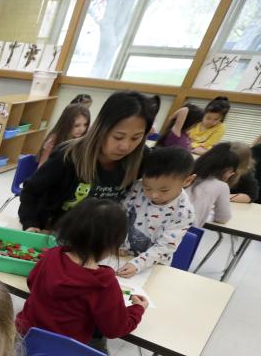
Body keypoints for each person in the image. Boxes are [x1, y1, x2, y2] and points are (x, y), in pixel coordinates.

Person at [16, 198, 148, 351]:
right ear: (113, 245)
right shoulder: (103, 283)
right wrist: (137, 309)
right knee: (99, 346)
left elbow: (31, 283)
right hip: (64, 353)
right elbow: (115, 329)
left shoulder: (51, 256)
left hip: (24, 337)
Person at [18, 91, 157, 232]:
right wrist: (30, 223)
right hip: (54, 231)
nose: (125, 146)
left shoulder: (142, 158)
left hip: (98, 237)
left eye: (136, 138)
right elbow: (31, 190)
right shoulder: (67, 155)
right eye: (118, 137)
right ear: (101, 128)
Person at [118, 147, 196, 277]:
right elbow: (121, 216)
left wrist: (137, 264)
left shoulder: (184, 212)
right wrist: (118, 243)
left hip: (153, 266)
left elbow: (165, 247)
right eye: (147, 187)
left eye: (164, 190)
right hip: (120, 256)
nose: (153, 195)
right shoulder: (137, 187)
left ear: (187, 181)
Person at [186, 142, 240, 227]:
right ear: (226, 170)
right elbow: (222, 218)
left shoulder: (187, 174)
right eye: (231, 172)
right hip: (186, 232)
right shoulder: (222, 186)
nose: (231, 175)